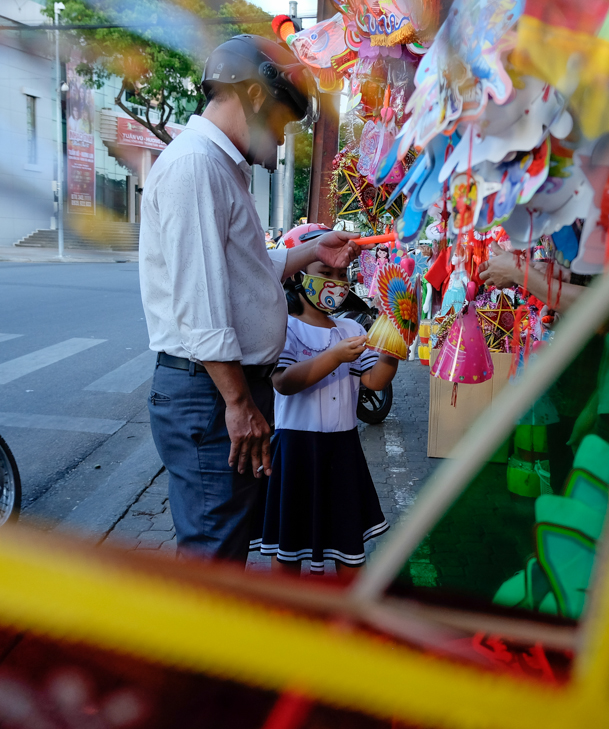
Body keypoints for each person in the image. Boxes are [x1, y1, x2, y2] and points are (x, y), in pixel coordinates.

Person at [139, 34, 359, 564]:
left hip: (222, 390)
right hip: (212, 394)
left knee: (225, 546)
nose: (282, 142)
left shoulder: (218, 167)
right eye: (284, 123)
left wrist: (311, 253)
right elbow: (201, 307)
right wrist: (239, 405)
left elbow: (247, 273)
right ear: (258, 97)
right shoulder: (197, 168)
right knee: (214, 554)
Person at [254, 253, 398, 580]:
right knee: (287, 543)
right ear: (298, 276)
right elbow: (284, 381)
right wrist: (334, 356)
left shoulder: (349, 327)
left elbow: (374, 380)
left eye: (342, 273)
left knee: (348, 541)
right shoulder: (286, 326)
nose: (335, 280)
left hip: (344, 449)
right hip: (295, 450)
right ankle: (285, 616)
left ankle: (348, 618)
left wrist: (392, 348)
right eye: (325, 271)